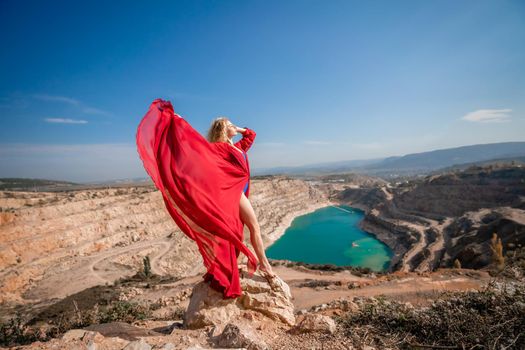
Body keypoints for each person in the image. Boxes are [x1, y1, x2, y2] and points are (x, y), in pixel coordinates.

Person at [135, 98, 278, 299]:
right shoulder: (219, 148)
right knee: (254, 227)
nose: (233, 127)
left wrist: (237, 128)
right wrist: (178, 123)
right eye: (229, 125)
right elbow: (195, 150)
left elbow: (252, 134)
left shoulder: (238, 147)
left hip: (238, 193)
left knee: (235, 232)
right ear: (222, 129)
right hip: (232, 194)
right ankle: (264, 265)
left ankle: (224, 270)